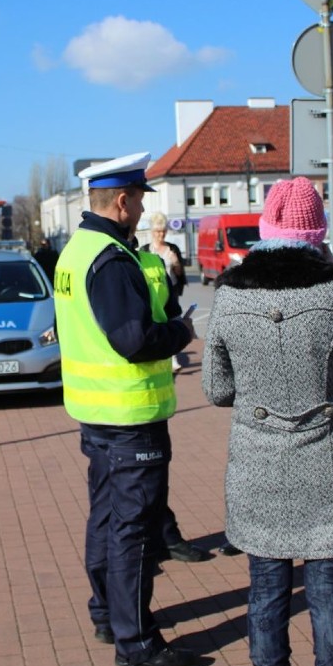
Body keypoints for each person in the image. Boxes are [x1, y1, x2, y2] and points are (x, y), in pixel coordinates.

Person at [201, 177, 333, 666]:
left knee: (266, 593)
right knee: (329, 594)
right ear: (317, 232)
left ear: (266, 227)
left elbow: (216, 390)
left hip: (258, 464)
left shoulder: (231, 297)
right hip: (328, 459)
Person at [53, 152, 199, 666]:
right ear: (122, 201)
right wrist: (182, 331)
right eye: (138, 198)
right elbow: (134, 341)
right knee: (133, 529)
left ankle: (106, 616)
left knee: (108, 517)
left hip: (97, 410)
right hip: (129, 413)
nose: (141, 208)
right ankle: (135, 641)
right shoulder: (112, 259)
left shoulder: (77, 251)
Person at [128, 231, 210, 564]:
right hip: (129, 398)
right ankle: (149, 548)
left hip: (149, 392)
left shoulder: (151, 261)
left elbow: (170, 305)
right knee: (135, 490)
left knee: (152, 481)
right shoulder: (106, 263)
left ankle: (162, 538)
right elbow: (136, 338)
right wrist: (181, 333)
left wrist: (177, 326)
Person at [140, 212, 188, 372]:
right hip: (153, 293)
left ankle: (173, 357)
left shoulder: (172, 249)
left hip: (170, 291)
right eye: (157, 231)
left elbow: (180, 274)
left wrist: (176, 264)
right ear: (152, 232)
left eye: (163, 231)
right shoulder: (145, 250)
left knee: (172, 321)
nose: (161, 234)